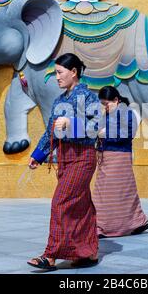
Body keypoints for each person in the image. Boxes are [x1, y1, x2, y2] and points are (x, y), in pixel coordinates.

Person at [27, 53, 100, 270]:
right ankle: (87, 252)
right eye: (56, 72)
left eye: (60, 72)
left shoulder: (89, 97)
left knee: (60, 202)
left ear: (74, 72)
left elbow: (95, 128)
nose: (57, 77)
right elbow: (51, 130)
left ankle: (50, 255)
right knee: (82, 206)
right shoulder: (59, 101)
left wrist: (71, 123)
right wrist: (38, 155)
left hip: (83, 157)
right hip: (65, 158)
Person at [92, 86, 148, 238]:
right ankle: (101, 225)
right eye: (102, 104)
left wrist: (106, 134)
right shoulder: (104, 115)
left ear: (116, 100)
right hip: (105, 156)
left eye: (107, 103)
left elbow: (127, 134)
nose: (104, 107)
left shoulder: (128, 114)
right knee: (103, 192)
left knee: (123, 192)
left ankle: (134, 222)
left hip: (120, 157)